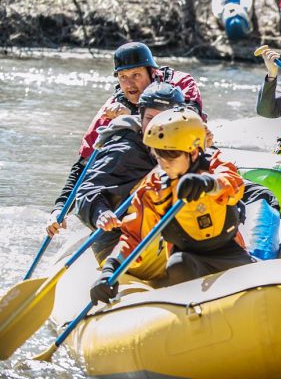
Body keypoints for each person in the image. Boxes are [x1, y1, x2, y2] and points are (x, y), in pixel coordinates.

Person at [89, 108, 253, 304]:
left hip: (230, 254)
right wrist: (110, 269)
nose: (164, 164)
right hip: (189, 261)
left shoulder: (214, 165)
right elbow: (134, 237)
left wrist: (207, 184)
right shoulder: (154, 188)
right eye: (159, 156)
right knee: (178, 265)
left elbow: (234, 185)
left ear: (193, 152)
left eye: (171, 156)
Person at [46, 42, 204, 238]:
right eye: (123, 77)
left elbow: (191, 121)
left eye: (136, 75)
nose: (130, 85)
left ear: (151, 72)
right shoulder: (112, 108)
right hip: (139, 171)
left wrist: (133, 117)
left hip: (181, 157)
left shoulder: (178, 85)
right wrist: (59, 209)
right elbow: (84, 163)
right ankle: (111, 216)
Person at [60, 83, 185, 265]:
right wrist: (101, 213)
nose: (155, 126)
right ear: (141, 117)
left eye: (164, 119)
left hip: (161, 233)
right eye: (149, 118)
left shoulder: (186, 144)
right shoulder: (124, 150)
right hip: (119, 244)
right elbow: (86, 190)